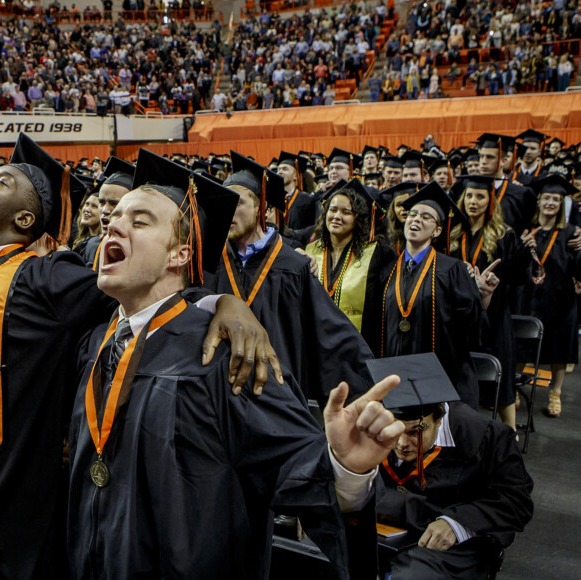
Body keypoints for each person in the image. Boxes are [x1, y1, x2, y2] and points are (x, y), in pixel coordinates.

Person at [0, 135, 279, 579]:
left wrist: (218, 302)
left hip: (5, 515)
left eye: (1, 179)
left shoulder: (43, 279)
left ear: (26, 218)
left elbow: (144, 291)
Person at [67, 147, 405, 580]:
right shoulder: (95, 343)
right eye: (115, 217)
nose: (112, 223)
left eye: (140, 221)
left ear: (180, 255)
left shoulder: (228, 358)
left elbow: (296, 469)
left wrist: (345, 468)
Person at [203, 153, 375, 406]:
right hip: (218, 397)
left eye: (237, 203)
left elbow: (331, 334)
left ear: (262, 206)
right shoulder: (209, 263)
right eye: (224, 202)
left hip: (277, 397)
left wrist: (372, 386)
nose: (228, 210)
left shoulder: (293, 266)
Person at [368, 354, 534, 579]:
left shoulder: (485, 437)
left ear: (439, 417)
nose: (402, 443)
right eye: (394, 429)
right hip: (381, 532)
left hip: (447, 549)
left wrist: (458, 524)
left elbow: (516, 502)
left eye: (415, 432)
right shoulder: (372, 427)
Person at [379, 184, 489, 409]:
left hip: (440, 376)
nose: (416, 220)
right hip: (397, 376)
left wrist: (483, 295)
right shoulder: (387, 269)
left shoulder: (453, 270)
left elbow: (473, 328)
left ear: (437, 231)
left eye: (426, 217)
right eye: (413, 214)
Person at [449, 175, 530, 428]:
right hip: (459, 315)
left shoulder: (504, 235)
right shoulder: (452, 233)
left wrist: (523, 256)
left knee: (502, 372)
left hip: (494, 315)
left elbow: (519, 277)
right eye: (469, 196)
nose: (473, 201)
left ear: (491, 201)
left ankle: (510, 430)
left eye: (480, 196)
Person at [517, 174, 581, 417]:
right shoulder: (527, 229)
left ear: (561, 205)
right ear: (538, 201)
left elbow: (579, 266)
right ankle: (515, 388)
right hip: (528, 297)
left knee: (560, 346)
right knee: (521, 344)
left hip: (560, 297)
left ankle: (555, 392)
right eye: (546, 198)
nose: (550, 203)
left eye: (555, 200)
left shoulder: (571, 233)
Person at [305, 180, 398, 356]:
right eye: (332, 210)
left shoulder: (378, 254)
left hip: (359, 349)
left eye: (346, 212)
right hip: (315, 347)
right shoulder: (311, 249)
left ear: (358, 218)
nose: (337, 216)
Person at [83, 156, 135, 264]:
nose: (105, 210)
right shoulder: (92, 246)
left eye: (114, 203)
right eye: (101, 202)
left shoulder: (140, 251)